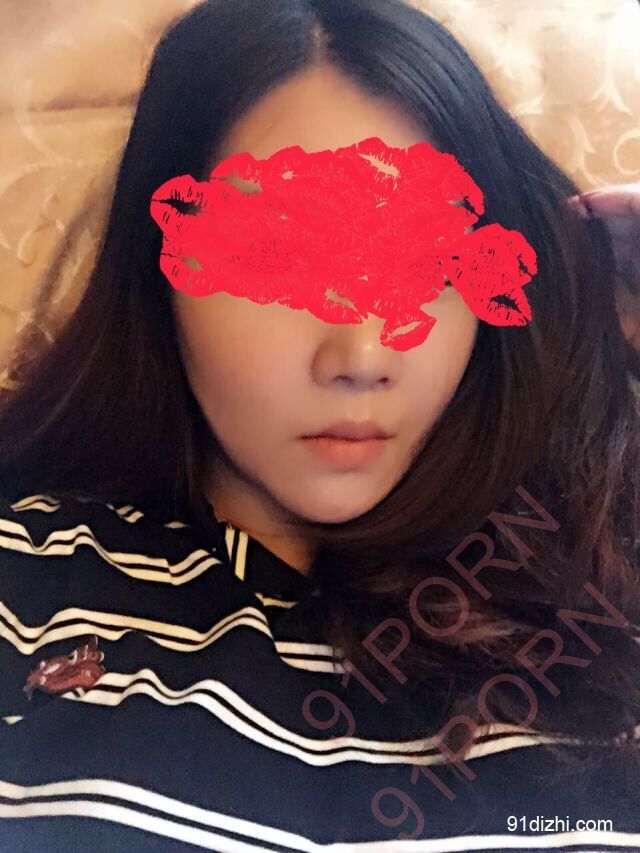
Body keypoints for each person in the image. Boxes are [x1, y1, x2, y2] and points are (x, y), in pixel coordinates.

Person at [1, 0, 639, 850]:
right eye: (275, 256)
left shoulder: (600, 569)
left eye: (427, 260)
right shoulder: (26, 568)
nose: (363, 352)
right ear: (161, 270)